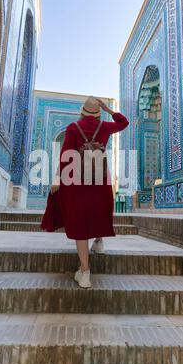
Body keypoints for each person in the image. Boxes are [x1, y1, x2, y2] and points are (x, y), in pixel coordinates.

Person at [41, 97, 129, 288]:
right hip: (100, 180)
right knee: (98, 211)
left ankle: (85, 273)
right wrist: (109, 110)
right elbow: (124, 123)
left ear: (82, 112)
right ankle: (99, 241)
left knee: (80, 221)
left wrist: (57, 179)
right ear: (99, 113)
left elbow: (66, 155)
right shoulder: (105, 126)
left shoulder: (73, 128)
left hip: (77, 181)